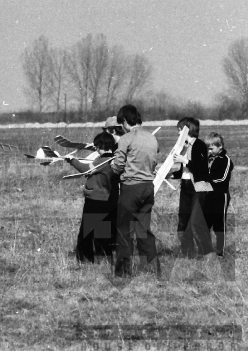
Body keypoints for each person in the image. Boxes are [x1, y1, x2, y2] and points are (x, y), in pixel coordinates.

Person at [111, 105, 160, 277]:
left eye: (120, 124)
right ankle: (154, 270)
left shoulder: (126, 139)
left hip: (131, 188)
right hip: (148, 187)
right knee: (144, 230)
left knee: (124, 231)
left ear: (125, 121)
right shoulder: (152, 139)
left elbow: (117, 167)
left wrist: (112, 165)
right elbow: (154, 163)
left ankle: (123, 272)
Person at [66, 132, 119, 263]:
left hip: (95, 200)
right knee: (102, 232)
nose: (95, 149)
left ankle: (85, 258)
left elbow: (85, 169)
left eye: (97, 147)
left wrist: (72, 160)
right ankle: (104, 258)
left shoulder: (102, 161)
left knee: (86, 232)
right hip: (107, 200)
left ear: (101, 146)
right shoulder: (115, 160)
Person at [167, 117, 215, 260]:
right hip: (186, 187)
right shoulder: (185, 147)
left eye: (180, 130)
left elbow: (201, 169)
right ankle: (188, 254)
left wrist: (185, 160)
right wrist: (170, 174)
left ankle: (208, 254)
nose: (178, 134)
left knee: (196, 222)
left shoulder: (200, 145)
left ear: (187, 130)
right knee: (183, 222)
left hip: (199, 189)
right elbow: (186, 171)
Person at [203, 132, 233, 257]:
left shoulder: (225, 160)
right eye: (208, 148)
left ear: (220, 146)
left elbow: (223, 179)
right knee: (205, 223)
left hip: (221, 196)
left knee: (219, 224)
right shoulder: (208, 159)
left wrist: (208, 179)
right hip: (208, 196)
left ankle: (220, 252)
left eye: (211, 148)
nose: (209, 151)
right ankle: (207, 251)